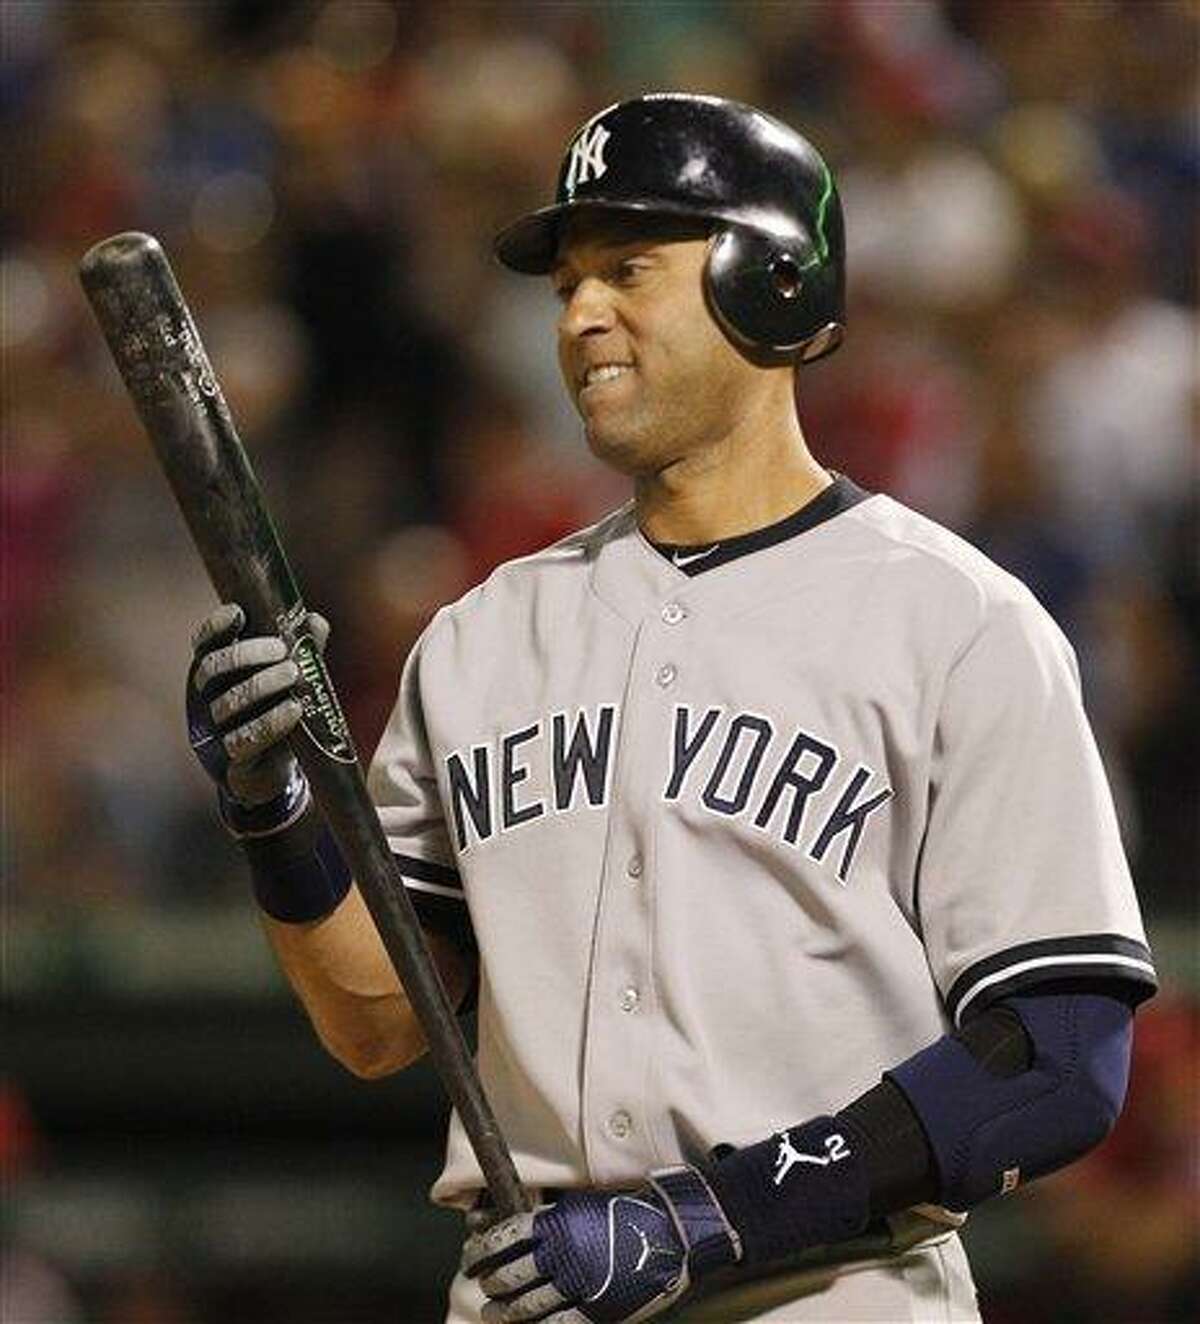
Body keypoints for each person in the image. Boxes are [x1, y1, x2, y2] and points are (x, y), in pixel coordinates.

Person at [186, 94, 1158, 1323]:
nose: (580, 313)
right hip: (529, 1288)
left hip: (829, 1288)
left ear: (776, 282)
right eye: (566, 287)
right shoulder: (480, 639)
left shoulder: (956, 622)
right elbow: (381, 1020)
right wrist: (273, 811)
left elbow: (1060, 1053)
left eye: (629, 269)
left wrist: (712, 1217)